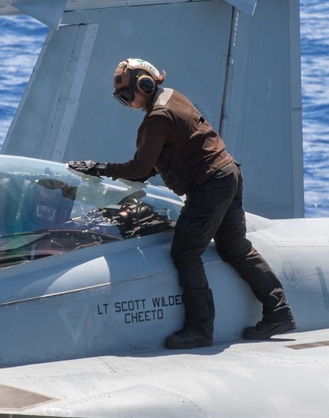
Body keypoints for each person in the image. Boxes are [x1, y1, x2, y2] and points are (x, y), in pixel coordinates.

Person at [68, 58, 296, 349]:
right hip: (228, 175)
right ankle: (278, 311)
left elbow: (140, 168)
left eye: (128, 95)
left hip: (210, 185)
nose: (128, 103)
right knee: (235, 248)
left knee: (186, 252)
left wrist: (98, 168)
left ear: (144, 84)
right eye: (121, 99)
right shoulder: (171, 96)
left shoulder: (158, 117)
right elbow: (157, 161)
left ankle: (199, 329)